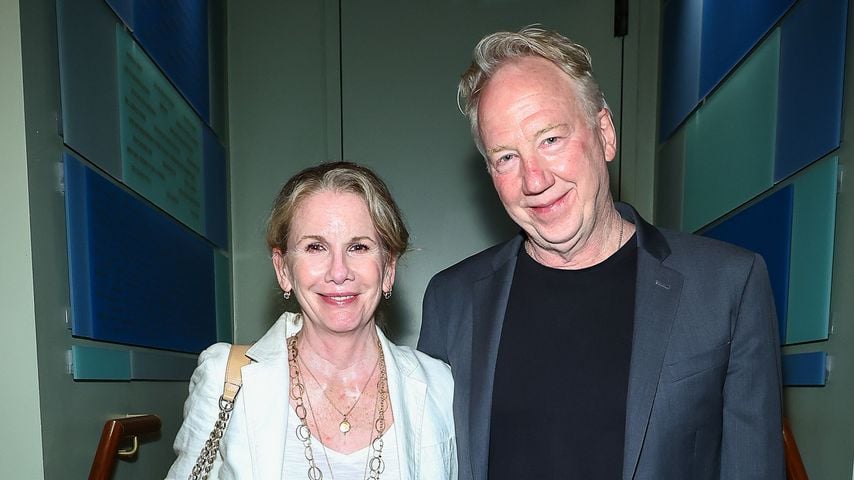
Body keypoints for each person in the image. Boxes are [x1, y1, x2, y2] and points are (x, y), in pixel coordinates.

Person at [417, 26, 783, 480]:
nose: (534, 179)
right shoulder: (452, 301)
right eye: (506, 157)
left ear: (604, 133)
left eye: (550, 139)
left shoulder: (728, 285)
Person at [168, 162, 457, 479]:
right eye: (315, 247)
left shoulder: (439, 386)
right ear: (283, 269)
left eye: (358, 247)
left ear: (388, 269)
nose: (338, 272)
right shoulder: (226, 379)